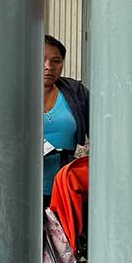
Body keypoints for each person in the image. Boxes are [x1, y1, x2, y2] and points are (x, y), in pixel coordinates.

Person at [43, 35, 90, 207]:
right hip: (23, 188)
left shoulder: (76, 92)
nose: (48, 67)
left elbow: (101, 131)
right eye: (42, 59)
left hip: (66, 192)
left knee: (67, 234)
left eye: (56, 61)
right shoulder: (14, 94)